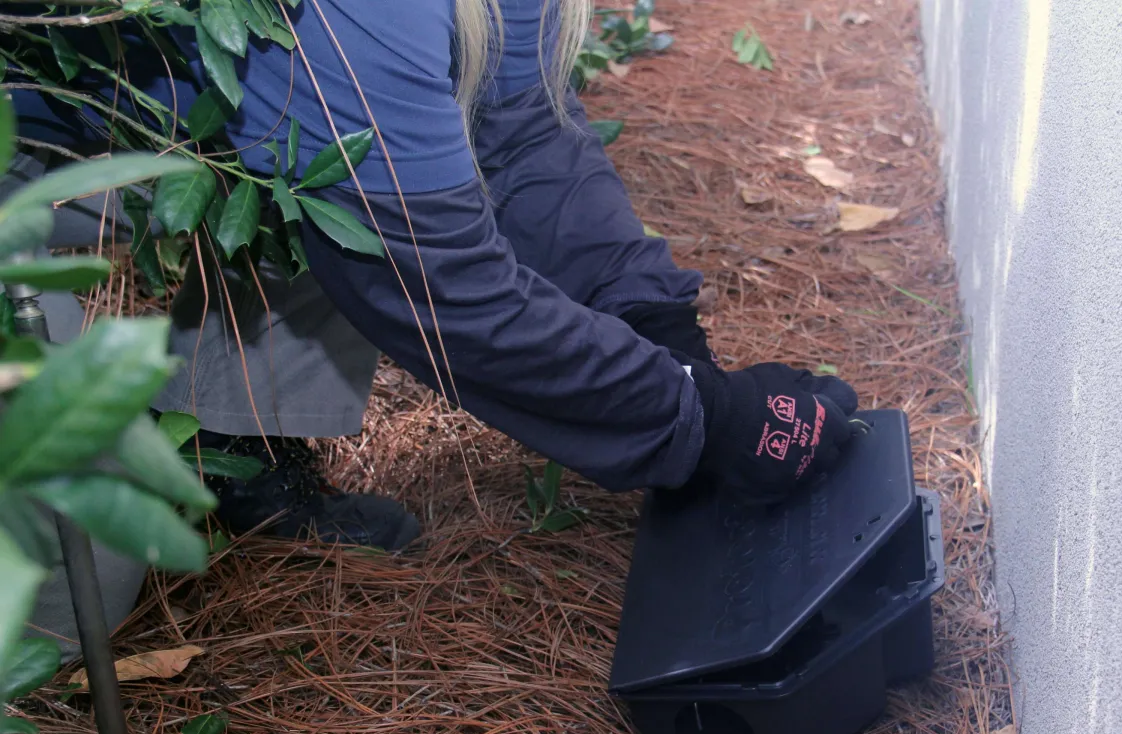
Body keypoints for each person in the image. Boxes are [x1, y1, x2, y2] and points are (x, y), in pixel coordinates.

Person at [5, 0, 860, 554]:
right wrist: (704, 421)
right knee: (79, 584)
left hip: (167, 133)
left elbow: (521, 136)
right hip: (35, 152)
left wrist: (662, 331)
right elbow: (437, 280)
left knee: (344, 167)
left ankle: (234, 447)